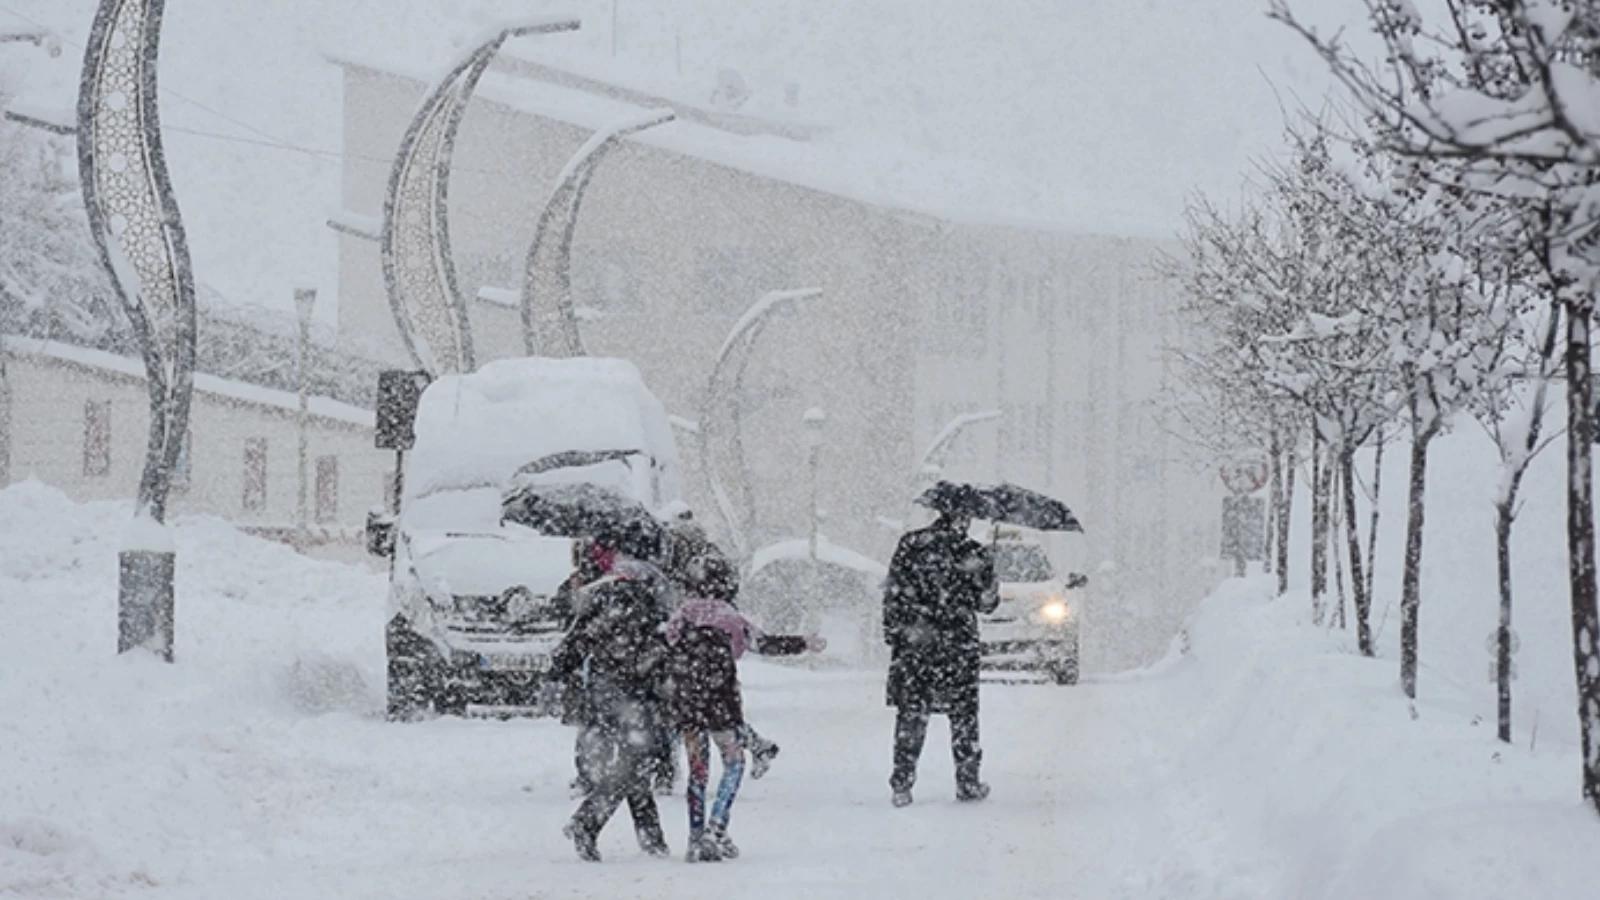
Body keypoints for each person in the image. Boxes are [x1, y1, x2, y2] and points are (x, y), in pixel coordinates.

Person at [664, 554, 825, 862]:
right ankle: (717, 827)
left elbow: (665, 643)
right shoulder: (730, 616)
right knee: (734, 765)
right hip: (722, 702)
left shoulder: (681, 615)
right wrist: (803, 642)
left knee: (697, 772)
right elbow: (762, 644)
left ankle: (695, 838)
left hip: (687, 702)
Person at [546, 535, 673, 862]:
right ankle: (588, 823)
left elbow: (574, 644)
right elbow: (664, 651)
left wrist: (556, 674)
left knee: (633, 766)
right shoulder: (649, 603)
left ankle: (651, 839)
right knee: (634, 765)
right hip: (635, 697)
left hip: (604, 694)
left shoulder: (599, 598)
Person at [882, 500, 999, 807]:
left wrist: (896, 633)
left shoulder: (911, 544)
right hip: (957, 645)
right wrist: (988, 580)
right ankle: (967, 781)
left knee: (911, 714)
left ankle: (902, 783)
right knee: (963, 717)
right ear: (964, 518)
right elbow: (986, 603)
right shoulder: (974, 553)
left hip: (915, 644)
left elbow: (893, 591)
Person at [659, 508, 784, 780]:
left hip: (701, 640)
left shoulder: (700, 563)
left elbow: (710, 594)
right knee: (711, 710)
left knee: (696, 710)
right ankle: (757, 746)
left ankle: (668, 772)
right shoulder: (697, 561)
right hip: (706, 642)